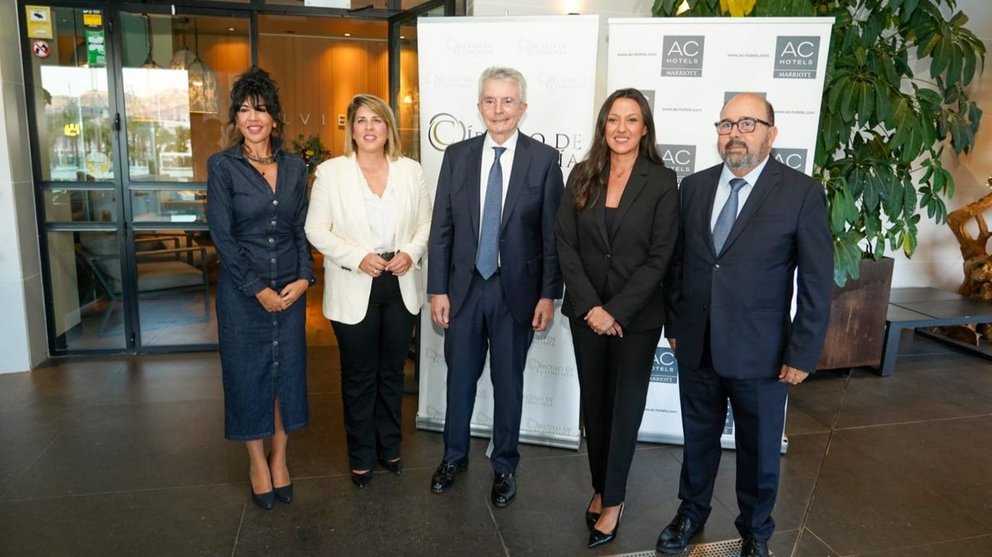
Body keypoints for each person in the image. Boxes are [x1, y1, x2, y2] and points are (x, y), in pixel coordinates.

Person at [656, 93, 833, 557]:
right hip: (697, 345)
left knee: (758, 452)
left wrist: (802, 351)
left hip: (763, 353)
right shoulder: (692, 188)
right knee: (697, 439)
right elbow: (679, 265)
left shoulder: (801, 193)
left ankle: (755, 532)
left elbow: (816, 281)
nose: (735, 133)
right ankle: (690, 512)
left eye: (748, 123)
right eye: (726, 124)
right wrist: (675, 323)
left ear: (771, 135)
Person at [427, 66, 564, 508]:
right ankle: (453, 457)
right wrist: (437, 289)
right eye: (490, 100)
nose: (498, 109)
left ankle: (504, 465)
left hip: (515, 293)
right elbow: (442, 227)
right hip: (463, 291)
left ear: (522, 108)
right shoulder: (457, 155)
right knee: (460, 379)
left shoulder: (544, 161)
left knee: (509, 384)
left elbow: (551, 236)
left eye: (507, 101)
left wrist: (549, 294)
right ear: (479, 105)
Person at [556, 88, 679, 548]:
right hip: (586, 313)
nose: (621, 128)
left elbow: (661, 255)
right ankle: (600, 485)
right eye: (613, 119)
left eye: (631, 120)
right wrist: (592, 308)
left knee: (625, 408)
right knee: (596, 405)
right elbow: (565, 245)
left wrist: (616, 311)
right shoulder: (582, 174)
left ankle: (615, 500)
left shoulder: (663, 181)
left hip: (636, 317)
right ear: (602, 126)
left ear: (644, 128)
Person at [305, 94, 431, 488]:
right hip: (354, 282)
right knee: (360, 377)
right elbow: (315, 229)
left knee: (392, 373)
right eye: (362, 120)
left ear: (388, 127)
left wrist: (410, 253)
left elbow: (426, 224)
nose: (370, 127)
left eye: (377, 120)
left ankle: (388, 446)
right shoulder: (331, 173)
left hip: (401, 282)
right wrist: (357, 256)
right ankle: (361, 455)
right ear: (352, 129)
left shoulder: (411, 171)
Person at [207, 66, 314, 510]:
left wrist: (306, 277)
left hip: (289, 290)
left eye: (262, 109)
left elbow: (302, 229)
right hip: (242, 293)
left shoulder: (294, 167)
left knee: (285, 376)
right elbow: (222, 237)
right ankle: (256, 463)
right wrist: (256, 288)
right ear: (235, 118)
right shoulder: (223, 166)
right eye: (246, 110)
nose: (254, 118)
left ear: (275, 118)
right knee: (248, 376)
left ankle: (281, 458)